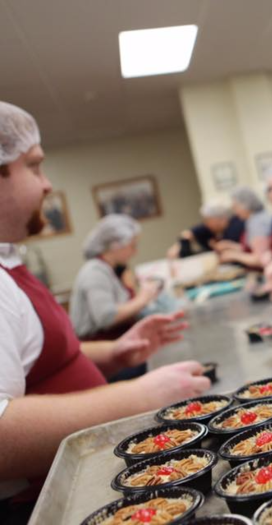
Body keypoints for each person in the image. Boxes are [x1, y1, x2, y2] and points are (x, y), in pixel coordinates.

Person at [0, 101, 210, 523]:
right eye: (35, 166)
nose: (47, 184)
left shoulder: (9, 260)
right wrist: (138, 397)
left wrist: (115, 353)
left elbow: (33, 353)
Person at [70, 214, 160, 341]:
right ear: (115, 245)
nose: (135, 252)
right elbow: (106, 317)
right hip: (99, 345)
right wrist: (143, 298)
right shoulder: (95, 272)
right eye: (132, 246)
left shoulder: (112, 270)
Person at [166, 197, 244, 259]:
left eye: (207, 220)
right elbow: (188, 233)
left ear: (219, 219)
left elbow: (245, 250)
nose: (205, 223)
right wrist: (177, 246)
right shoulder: (209, 227)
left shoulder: (237, 227)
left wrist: (228, 247)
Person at [215, 186, 272, 269]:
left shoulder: (257, 223)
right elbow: (251, 248)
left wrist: (233, 255)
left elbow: (260, 259)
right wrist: (230, 246)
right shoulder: (254, 219)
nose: (234, 211)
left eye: (235, 206)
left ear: (246, 205)